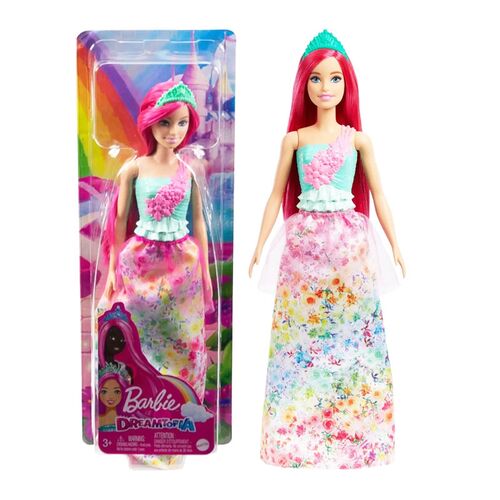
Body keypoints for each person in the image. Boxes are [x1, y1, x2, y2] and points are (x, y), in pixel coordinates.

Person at [249, 30, 406, 469]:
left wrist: (395, 245)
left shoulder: (358, 140)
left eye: (334, 78)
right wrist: (259, 245)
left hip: (350, 248)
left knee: (355, 341)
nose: (325, 87)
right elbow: (274, 194)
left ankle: (359, 438)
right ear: (304, 85)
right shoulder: (294, 140)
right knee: (298, 342)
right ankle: (295, 438)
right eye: (316, 79)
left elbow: (379, 194)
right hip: (304, 250)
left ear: (346, 84)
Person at [98, 80, 214, 469]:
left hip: (182, 266)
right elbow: (119, 222)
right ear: (150, 122)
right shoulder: (133, 169)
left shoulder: (190, 169)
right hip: (140, 265)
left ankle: (178, 426)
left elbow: (199, 222)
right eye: (165, 123)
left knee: (184, 343)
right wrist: (112, 272)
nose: (173, 132)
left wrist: (206, 273)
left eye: (181, 123)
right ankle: (139, 426)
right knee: (139, 344)